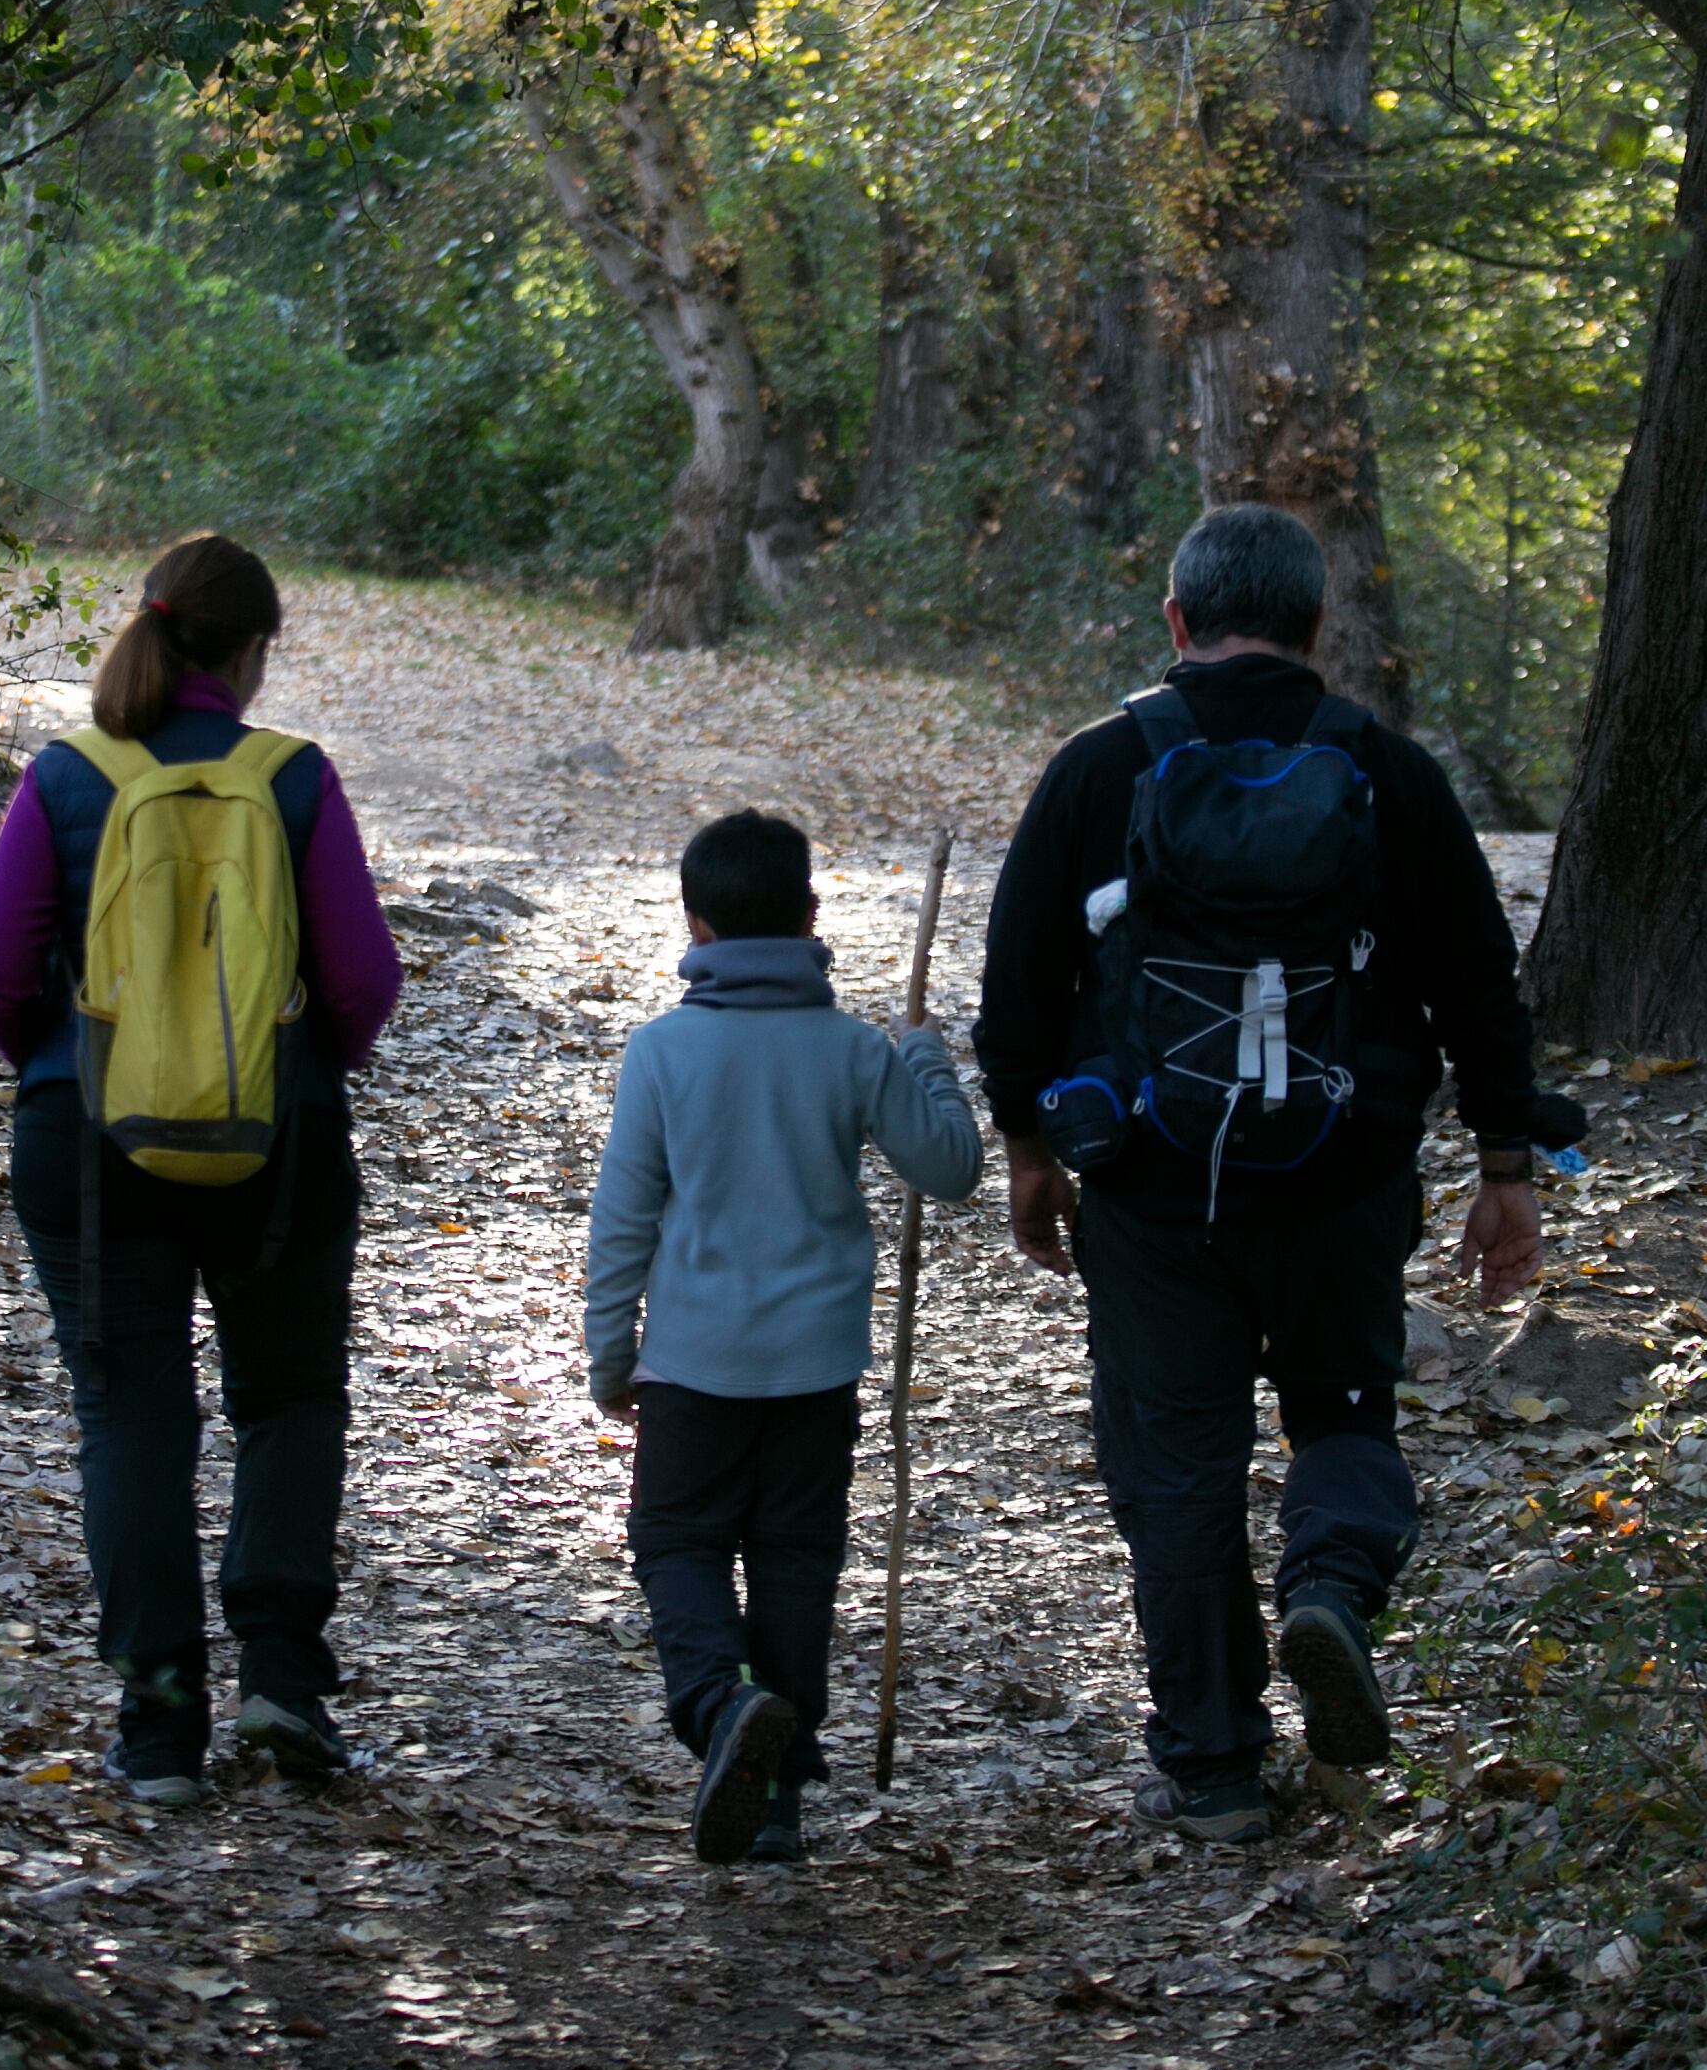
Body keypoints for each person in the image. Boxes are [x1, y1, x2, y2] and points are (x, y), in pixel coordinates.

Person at [973, 502, 1553, 1845]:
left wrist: (1027, 1150)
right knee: (1346, 1419)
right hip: (1344, 1181)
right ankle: (1331, 1594)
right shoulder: (1388, 772)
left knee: (1176, 1467)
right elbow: (1480, 982)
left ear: (1175, 623)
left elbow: (1017, 984)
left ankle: (1218, 1767)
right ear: (1319, 626)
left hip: (1153, 1185)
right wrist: (1504, 1163)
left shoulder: (1100, 766)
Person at [0, 533, 404, 1805]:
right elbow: (365, 979)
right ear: (253, 653)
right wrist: (309, 1066)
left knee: (132, 1416)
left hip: (89, 1145)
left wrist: (63, 1064)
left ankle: (156, 1731)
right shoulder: (294, 781)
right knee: (291, 1399)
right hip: (281, 1140)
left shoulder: (67, 778)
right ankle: (281, 1681)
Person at [584, 810, 983, 1866]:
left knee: (677, 1544)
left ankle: (722, 1710)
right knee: (796, 1562)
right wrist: (927, 1061)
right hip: (814, 1369)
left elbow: (623, 1220)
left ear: (695, 926)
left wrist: (609, 1357)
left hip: (694, 1369)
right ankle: (775, 1800)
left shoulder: (663, 1051)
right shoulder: (853, 1050)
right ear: (811, 917)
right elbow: (951, 1168)